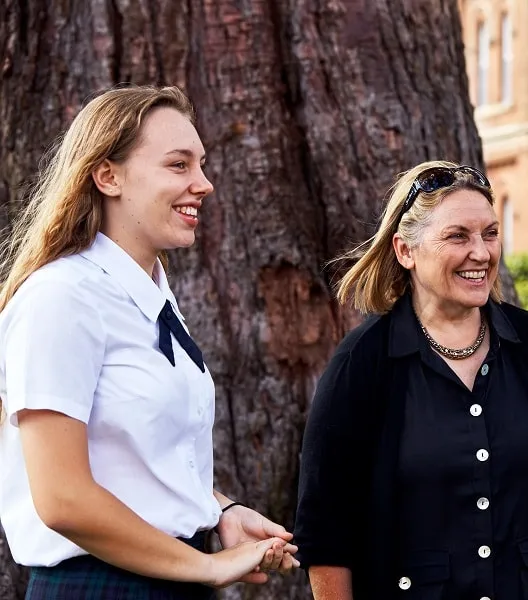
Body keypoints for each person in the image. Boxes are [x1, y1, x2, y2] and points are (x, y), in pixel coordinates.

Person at [0, 85, 299, 599]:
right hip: (100, 588)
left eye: (201, 165)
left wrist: (218, 511)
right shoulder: (62, 296)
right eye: (178, 165)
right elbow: (62, 498)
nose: (203, 184)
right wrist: (206, 567)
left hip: (170, 582)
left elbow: (134, 461)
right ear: (107, 175)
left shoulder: (152, 296)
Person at [293, 160, 528, 599]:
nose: (482, 252)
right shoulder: (361, 364)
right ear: (405, 251)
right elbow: (327, 531)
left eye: (490, 234)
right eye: (458, 236)